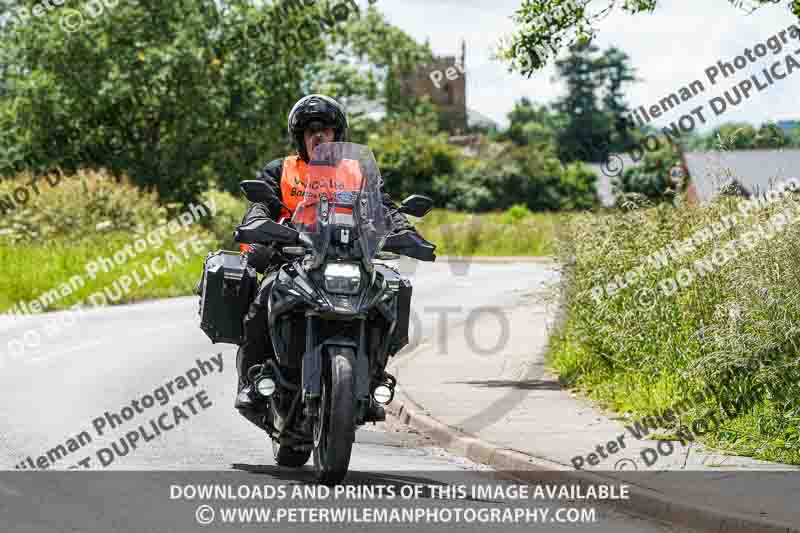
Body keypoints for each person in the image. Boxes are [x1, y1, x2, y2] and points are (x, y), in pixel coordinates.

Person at [234, 94, 427, 422]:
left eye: (325, 129)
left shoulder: (357, 170)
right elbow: (261, 206)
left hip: (350, 256)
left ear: (338, 135)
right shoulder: (282, 170)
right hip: (294, 258)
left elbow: (384, 207)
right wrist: (256, 224)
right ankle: (252, 381)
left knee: (390, 292)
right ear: (300, 137)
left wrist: (406, 231)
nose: (318, 136)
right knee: (264, 295)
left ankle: (373, 378)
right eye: (310, 130)